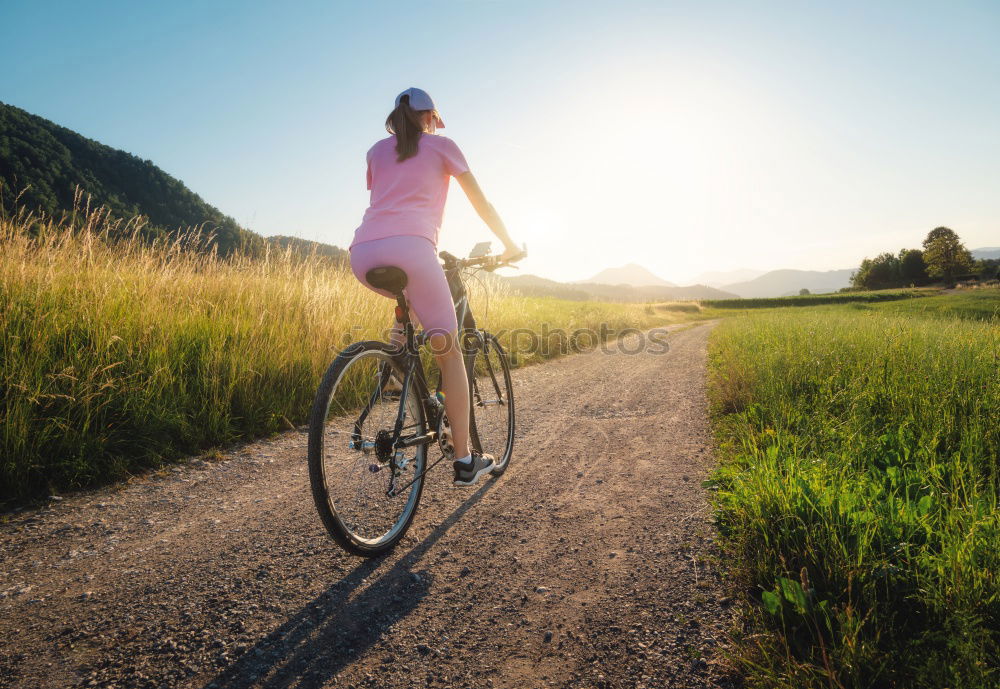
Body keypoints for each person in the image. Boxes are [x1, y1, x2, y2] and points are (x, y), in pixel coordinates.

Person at [349, 87, 521, 487]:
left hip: (362, 252)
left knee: (407, 299)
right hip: (414, 250)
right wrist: (510, 244)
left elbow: (386, 198)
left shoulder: (376, 151)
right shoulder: (443, 146)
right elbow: (482, 204)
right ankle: (464, 460)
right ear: (430, 118)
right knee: (450, 353)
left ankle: (396, 361)